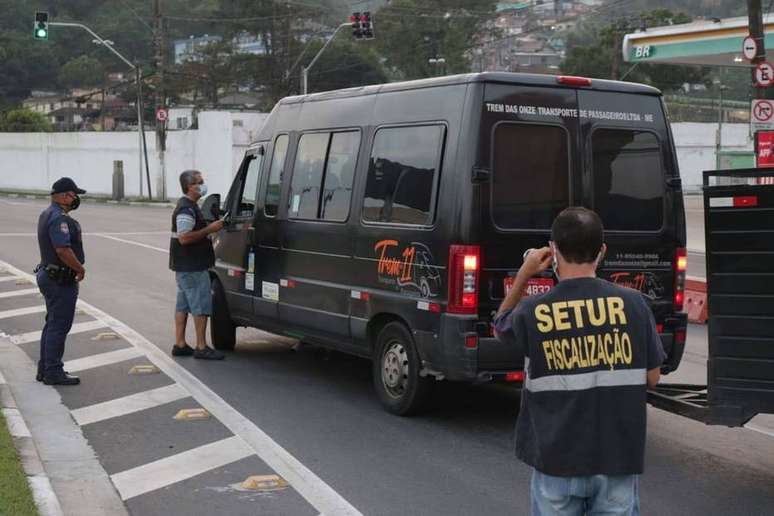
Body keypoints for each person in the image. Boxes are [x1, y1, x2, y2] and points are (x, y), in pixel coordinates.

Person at [494, 207, 665, 516]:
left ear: (554, 251)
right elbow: (653, 377)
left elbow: (501, 325)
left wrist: (525, 273)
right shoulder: (635, 305)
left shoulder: (535, 311)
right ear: (602, 252)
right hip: (616, 461)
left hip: (557, 462)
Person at [169, 170, 226, 360]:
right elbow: (184, 237)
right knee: (200, 305)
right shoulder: (186, 209)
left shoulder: (190, 206)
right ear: (189, 186)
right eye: (199, 182)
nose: (203, 185)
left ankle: (180, 343)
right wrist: (211, 228)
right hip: (192, 266)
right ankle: (201, 347)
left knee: (183, 305)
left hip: (185, 266)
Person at [35, 177, 87, 386]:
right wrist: (79, 268)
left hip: (51, 275)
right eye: (74, 195)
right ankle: (53, 371)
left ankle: (45, 368)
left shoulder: (48, 213)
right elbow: (63, 250)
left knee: (53, 323)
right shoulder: (58, 218)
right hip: (59, 279)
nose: (76, 199)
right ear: (65, 196)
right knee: (59, 325)